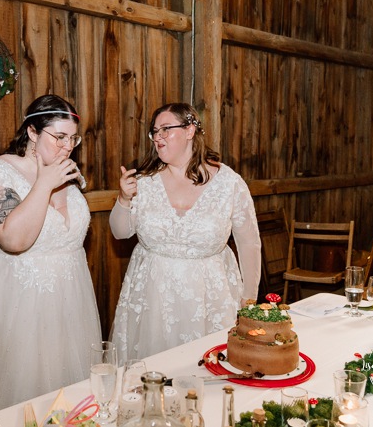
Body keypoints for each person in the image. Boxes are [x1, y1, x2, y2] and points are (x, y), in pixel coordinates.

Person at [0, 95, 102, 426]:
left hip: (70, 301)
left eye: (72, 138)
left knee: (69, 398)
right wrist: (44, 183)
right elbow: (14, 239)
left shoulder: (66, 173)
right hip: (18, 303)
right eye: (58, 137)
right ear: (32, 132)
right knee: (20, 400)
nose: (67, 146)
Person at [109, 102, 261, 361]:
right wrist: (124, 198)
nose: (158, 137)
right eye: (154, 131)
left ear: (190, 130)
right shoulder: (145, 181)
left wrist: (249, 301)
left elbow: (249, 244)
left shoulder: (229, 183)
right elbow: (120, 233)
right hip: (151, 298)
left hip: (208, 299)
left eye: (166, 129)